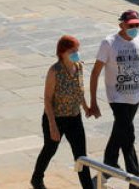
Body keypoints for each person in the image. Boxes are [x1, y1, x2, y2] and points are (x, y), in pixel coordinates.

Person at [90, 10, 139, 185]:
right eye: (130, 25)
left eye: (137, 25)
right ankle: (136, 179)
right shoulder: (109, 43)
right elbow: (95, 73)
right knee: (128, 136)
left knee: (119, 133)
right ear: (121, 25)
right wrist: (93, 102)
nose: (134, 28)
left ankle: (108, 167)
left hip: (135, 97)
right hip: (117, 98)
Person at [31, 35, 96, 189]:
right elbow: (47, 99)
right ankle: (37, 178)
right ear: (62, 52)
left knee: (81, 157)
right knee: (50, 149)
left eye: (77, 50)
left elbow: (78, 91)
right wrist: (52, 125)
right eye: (72, 51)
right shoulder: (54, 71)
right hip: (56, 118)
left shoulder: (79, 66)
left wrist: (86, 107)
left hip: (74, 118)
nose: (76, 53)